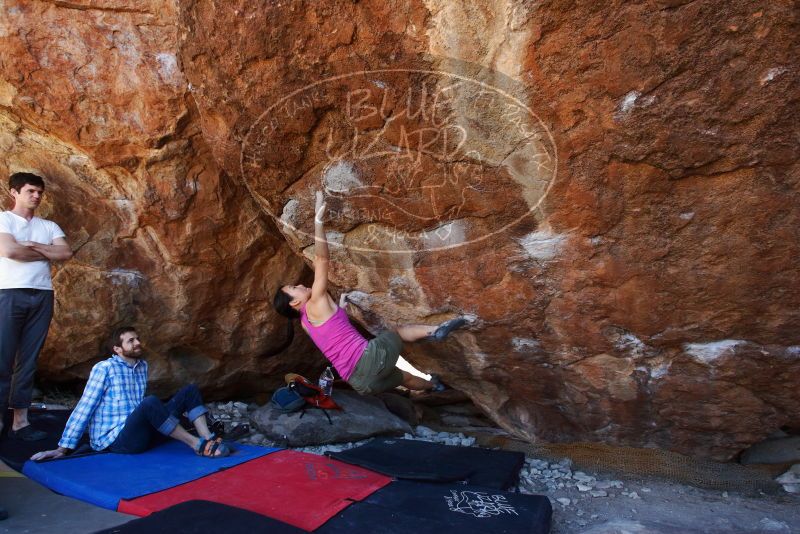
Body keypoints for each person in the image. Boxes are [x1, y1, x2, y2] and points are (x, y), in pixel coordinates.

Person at [273, 191, 467, 395]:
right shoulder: (314, 302)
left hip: (360, 383)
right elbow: (321, 261)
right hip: (369, 360)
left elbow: (333, 334)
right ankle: (435, 331)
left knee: (405, 378)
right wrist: (318, 223)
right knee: (398, 332)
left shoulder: (306, 324)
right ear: (295, 303)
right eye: (295, 289)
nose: (301, 285)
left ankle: (435, 386)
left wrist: (340, 307)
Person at [31, 326, 229, 461]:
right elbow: (85, 407)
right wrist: (62, 448)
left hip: (139, 433)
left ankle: (208, 437)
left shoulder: (141, 366)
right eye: (131, 341)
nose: (137, 343)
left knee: (189, 391)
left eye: (137, 339)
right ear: (117, 349)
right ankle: (196, 444)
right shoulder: (104, 368)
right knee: (150, 402)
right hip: (118, 440)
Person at [0, 172, 72, 441]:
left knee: (28, 361)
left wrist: (32, 245)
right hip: (8, 292)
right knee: (2, 359)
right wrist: (44, 252)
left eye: (40, 192)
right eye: (31, 191)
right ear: (14, 192)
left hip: (42, 294)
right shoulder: (4, 219)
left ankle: (20, 421)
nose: (37, 196)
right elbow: (10, 252)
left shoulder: (49, 225)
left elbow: (65, 253)